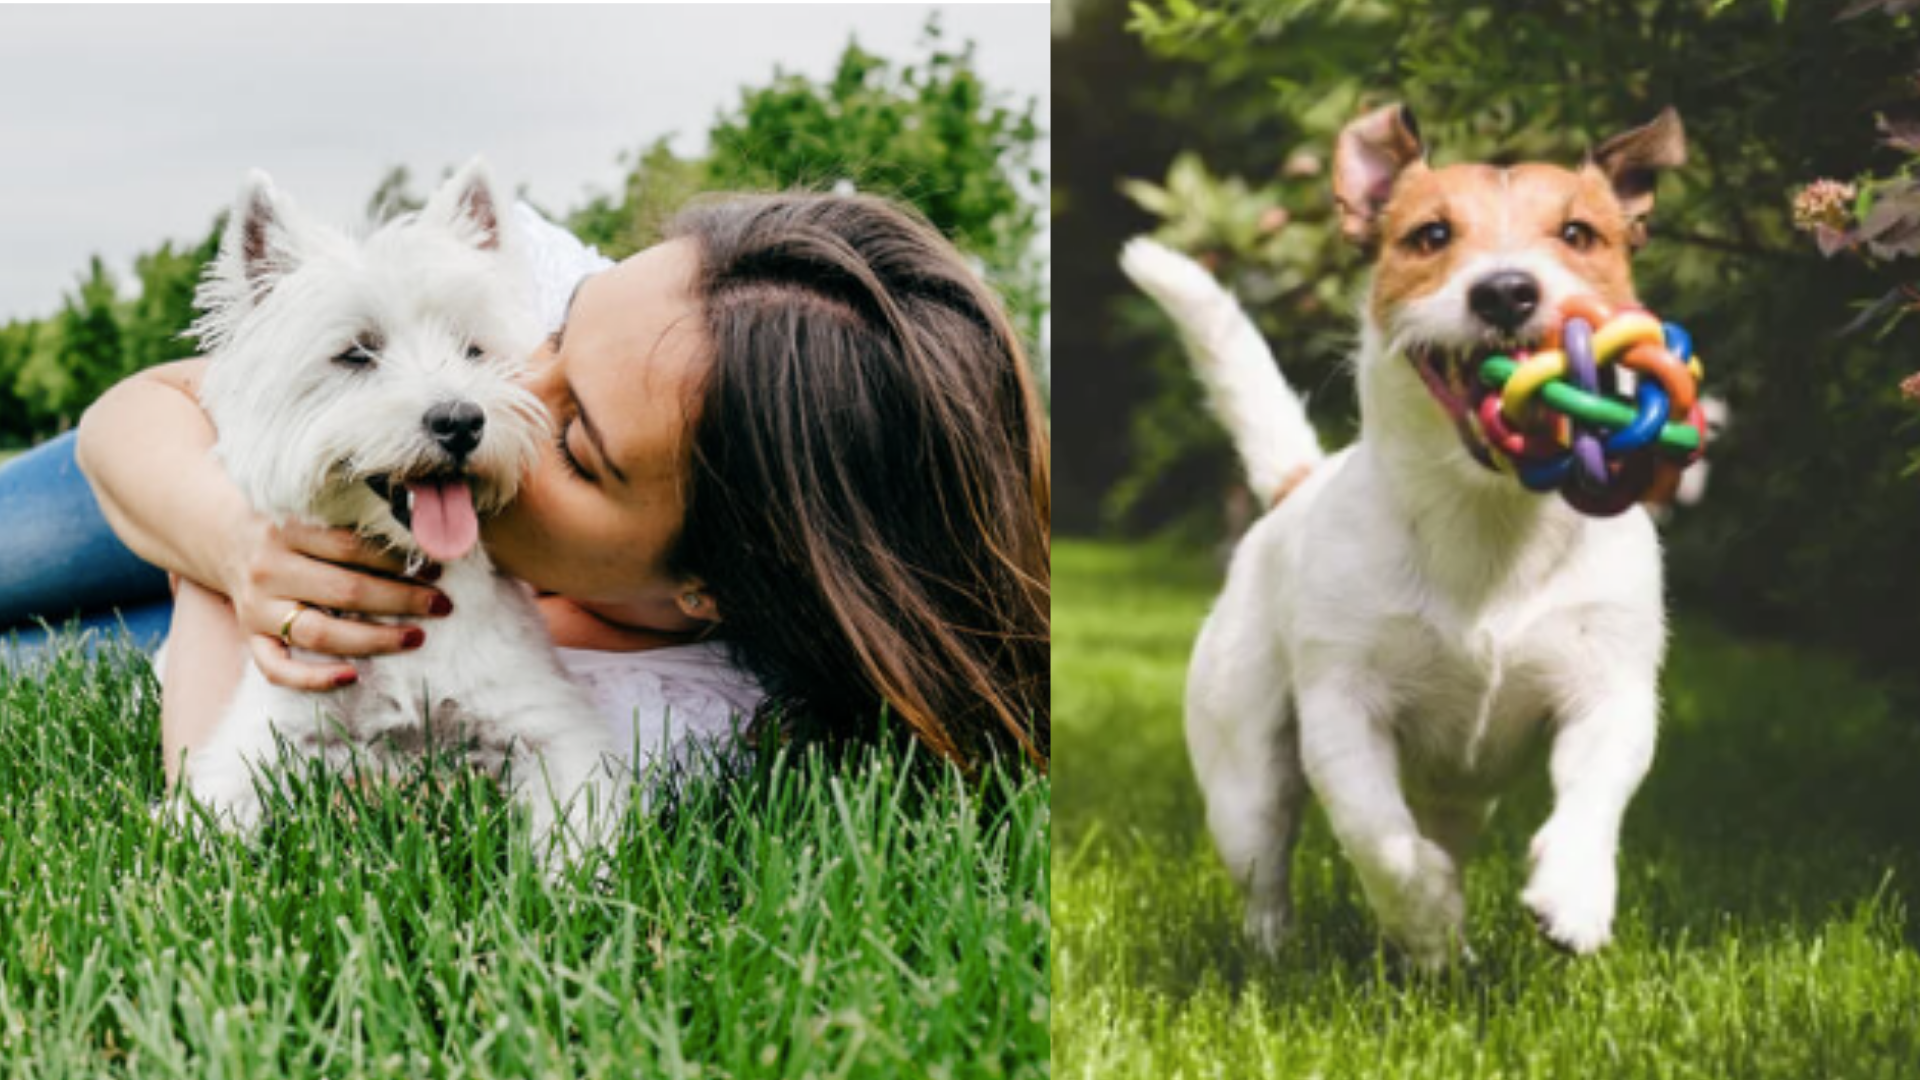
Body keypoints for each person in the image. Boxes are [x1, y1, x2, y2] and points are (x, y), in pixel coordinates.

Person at [4, 191, 1049, 781]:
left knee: (32, 663)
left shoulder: (673, 724)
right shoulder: (518, 285)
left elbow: (208, 773)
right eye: (555, 334)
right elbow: (147, 411)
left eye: (580, 442)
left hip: (294, 605)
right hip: (197, 477)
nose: (494, 393)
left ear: (710, 586)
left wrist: (233, 601)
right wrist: (229, 541)